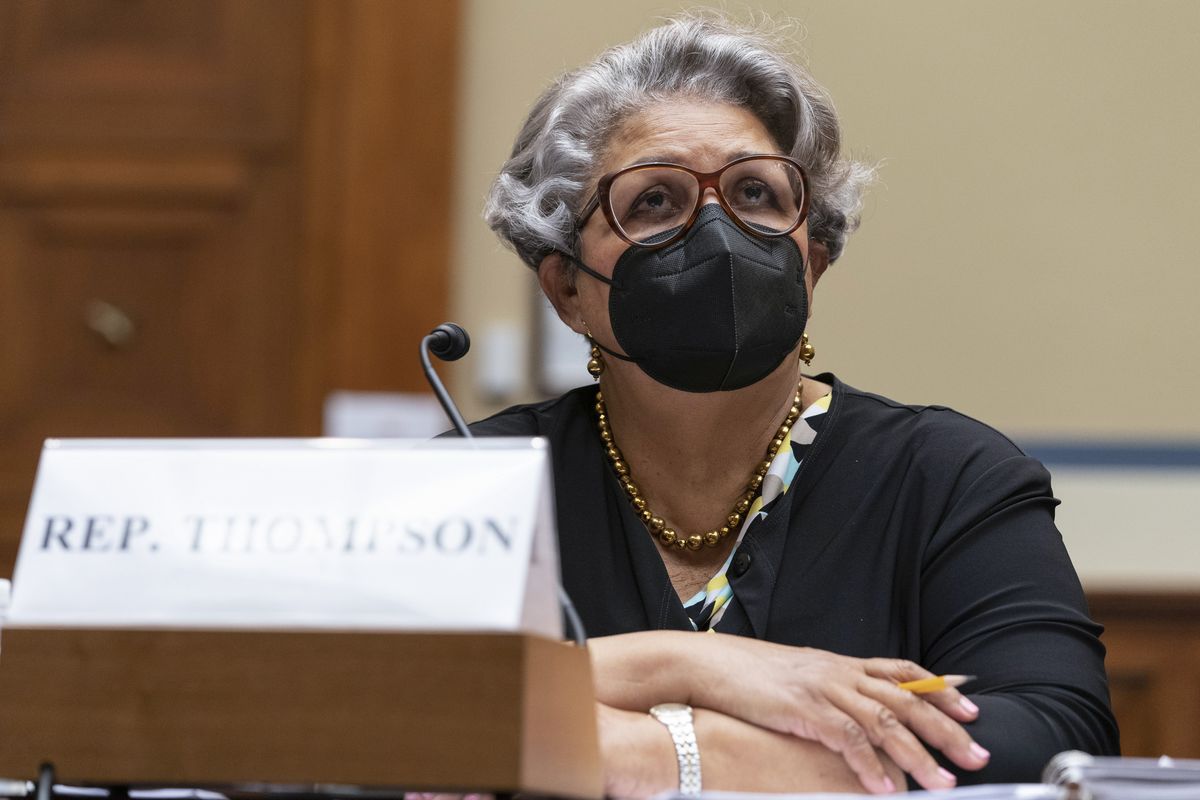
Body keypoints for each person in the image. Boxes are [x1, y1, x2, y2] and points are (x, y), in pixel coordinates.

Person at [471, 12, 1118, 797]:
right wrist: (696, 664)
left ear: (812, 258)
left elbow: (1047, 738)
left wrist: (638, 751)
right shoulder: (478, 486)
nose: (716, 229)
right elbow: (391, 705)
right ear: (567, 287)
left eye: (755, 193)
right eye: (653, 203)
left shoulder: (949, 479)